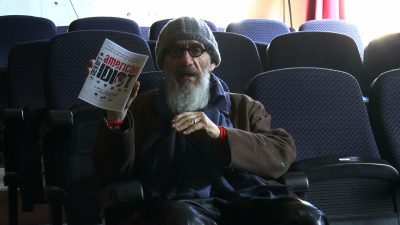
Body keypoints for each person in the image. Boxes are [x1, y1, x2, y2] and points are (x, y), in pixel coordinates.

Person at [91, 16, 328, 225]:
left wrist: (222, 135)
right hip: (175, 204)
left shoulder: (243, 106)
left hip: (247, 198)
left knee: (306, 217)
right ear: (162, 63)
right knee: (184, 218)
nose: (186, 60)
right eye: (175, 51)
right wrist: (116, 119)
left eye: (196, 50)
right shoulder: (139, 107)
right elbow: (112, 176)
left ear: (212, 62)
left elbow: (280, 158)